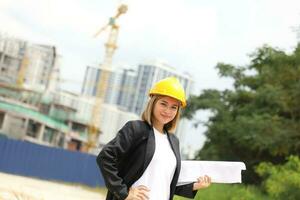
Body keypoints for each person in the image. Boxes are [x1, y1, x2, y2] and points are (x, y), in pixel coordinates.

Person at [97, 77, 211, 200]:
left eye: (174, 107)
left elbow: (166, 182)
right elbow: (105, 157)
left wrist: (194, 186)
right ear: (153, 103)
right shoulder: (136, 129)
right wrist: (123, 192)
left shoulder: (173, 141)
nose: (168, 111)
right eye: (163, 104)